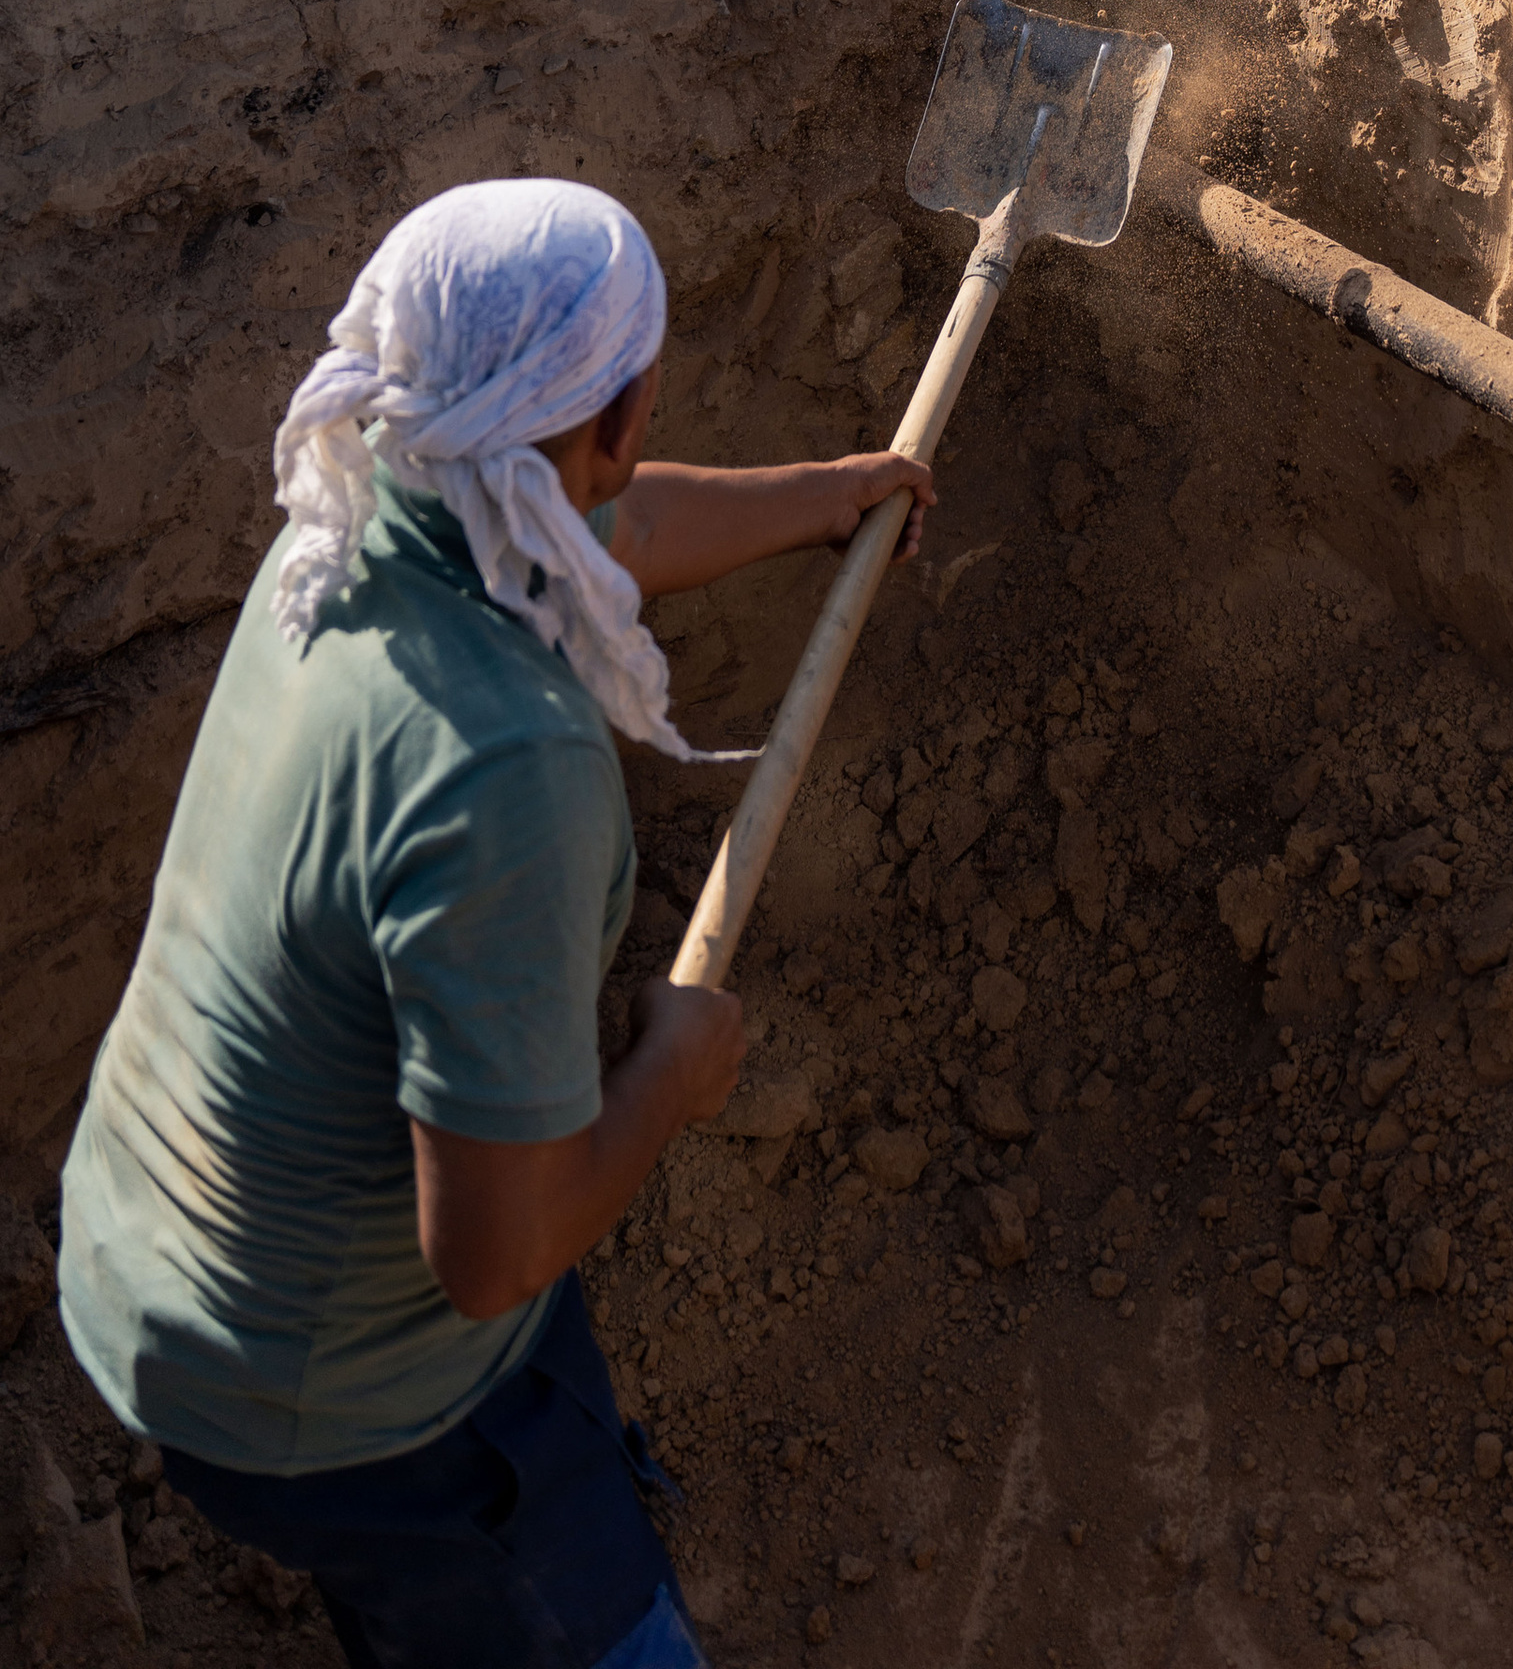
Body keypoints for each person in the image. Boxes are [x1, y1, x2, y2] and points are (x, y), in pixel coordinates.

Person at [55, 176, 936, 1669]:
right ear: (617, 414)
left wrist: (830, 494)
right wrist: (672, 1074)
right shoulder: (508, 768)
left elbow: (603, 524)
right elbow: (491, 1259)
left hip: (156, 1257)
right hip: (336, 1407)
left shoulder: (350, 526)